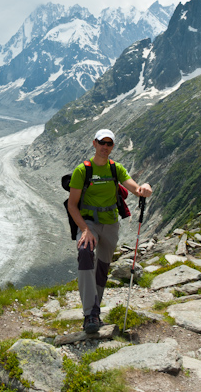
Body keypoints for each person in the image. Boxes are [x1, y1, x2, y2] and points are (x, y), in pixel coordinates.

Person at [68, 128, 152, 334]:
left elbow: (135, 189)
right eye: (102, 142)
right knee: (85, 254)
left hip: (111, 224)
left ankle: (94, 312)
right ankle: (89, 314)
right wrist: (85, 230)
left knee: (103, 268)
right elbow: (72, 205)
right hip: (89, 223)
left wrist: (145, 187)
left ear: (112, 146)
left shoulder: (116, 169)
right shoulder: (83, 170)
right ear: (94, 143)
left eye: (109, 144)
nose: (105, 147)